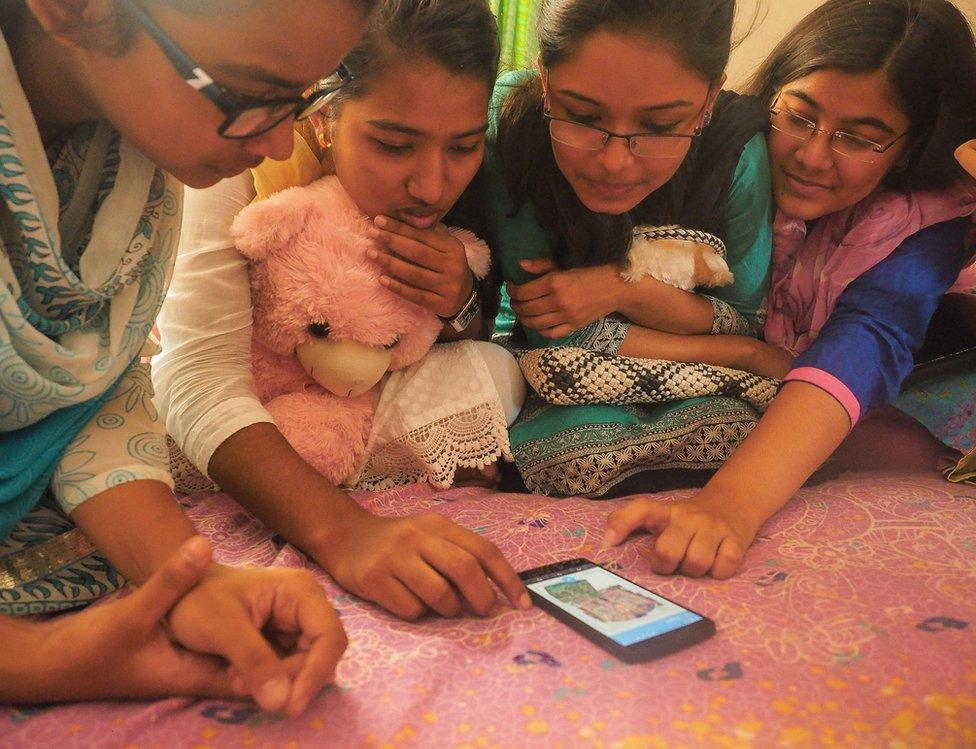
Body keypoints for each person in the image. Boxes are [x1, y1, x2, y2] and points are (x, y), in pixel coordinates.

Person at [0, 0, 369, 711]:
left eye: (302, 99)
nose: (277, 144)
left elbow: (93, 394)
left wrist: (189, 580)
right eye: (248, 95)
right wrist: (41, 658)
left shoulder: (129, 163)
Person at [153, 0, 532, 623]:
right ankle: (287, 476)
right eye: (392, 144)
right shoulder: (246, 157)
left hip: (350, 402)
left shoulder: (478, 177)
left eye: (462, 146)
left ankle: (308, 463)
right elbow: (194, 375)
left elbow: (468, 334)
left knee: (494, 372)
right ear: (325, 113)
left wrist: (459, 298)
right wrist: (347, 534)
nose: (432, 187)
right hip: (242, 397)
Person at [605, 0, 976, 578]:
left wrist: (731, 504)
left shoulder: (924, 227)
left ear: (914, 147)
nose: (811, 155)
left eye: (859, 138)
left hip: (846, 408)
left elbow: (866, 342)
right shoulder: (724, 152)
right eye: (799, 116)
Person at [486, 0, 781, 498]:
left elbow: (742, 313)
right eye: (580, 115)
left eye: (662, 127)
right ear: (544, 77)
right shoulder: (513, 120)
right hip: (561, 367)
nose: (616, 163)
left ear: (709, 98)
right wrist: (742, 352)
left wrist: (620, 290)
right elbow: (549, 330)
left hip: (680, 370)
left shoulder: (737, 157)